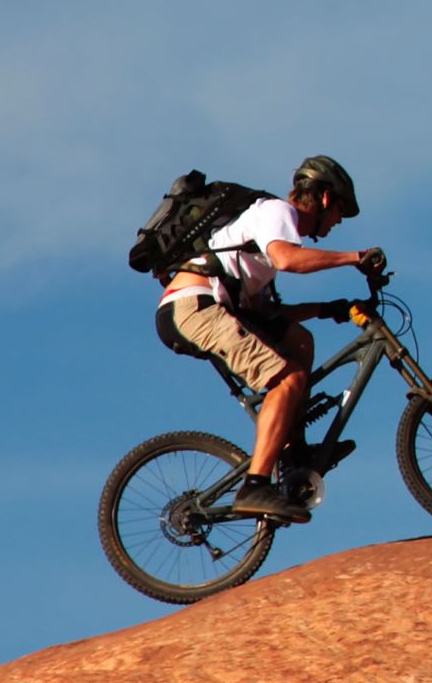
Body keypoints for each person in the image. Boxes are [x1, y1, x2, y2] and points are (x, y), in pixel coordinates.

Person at [157, 155, 383, 521]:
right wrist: (355, 257)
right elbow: (288, 259)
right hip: (194, 308)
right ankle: (255, 486)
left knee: (300, 340)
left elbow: (271, 315)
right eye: (341, 210)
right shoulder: (277, 211)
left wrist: (331, 308)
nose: (339, 221)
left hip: (209, 309)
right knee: (287, 378)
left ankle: (296, 456)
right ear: (325, 199)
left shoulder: (264, 238)